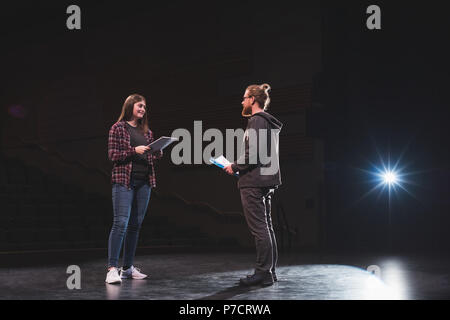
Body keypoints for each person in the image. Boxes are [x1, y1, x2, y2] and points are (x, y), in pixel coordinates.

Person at [223, 83, 283, 287]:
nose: (242, 101)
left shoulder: (257, 120)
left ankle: (263, 272)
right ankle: (269, 272)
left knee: (260, 229)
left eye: (244, 97)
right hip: (265, 181)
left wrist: (235, 166)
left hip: (254, 181)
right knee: (266, 228)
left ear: (253, 100)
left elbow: (254, 152)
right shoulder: (266, 122)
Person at [105, 93, 163, 284]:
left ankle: (127, 268)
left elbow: (149, 157)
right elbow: (113, 155)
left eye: (145, 107)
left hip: (144, 182)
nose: (143, 110)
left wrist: (157, 152)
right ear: (130, 106)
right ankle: (112, 269)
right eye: (140, 106)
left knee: (135, 226)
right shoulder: (118, 128)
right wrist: (133, 150)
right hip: (124, 181)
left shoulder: (147, 132)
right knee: (120, 223)